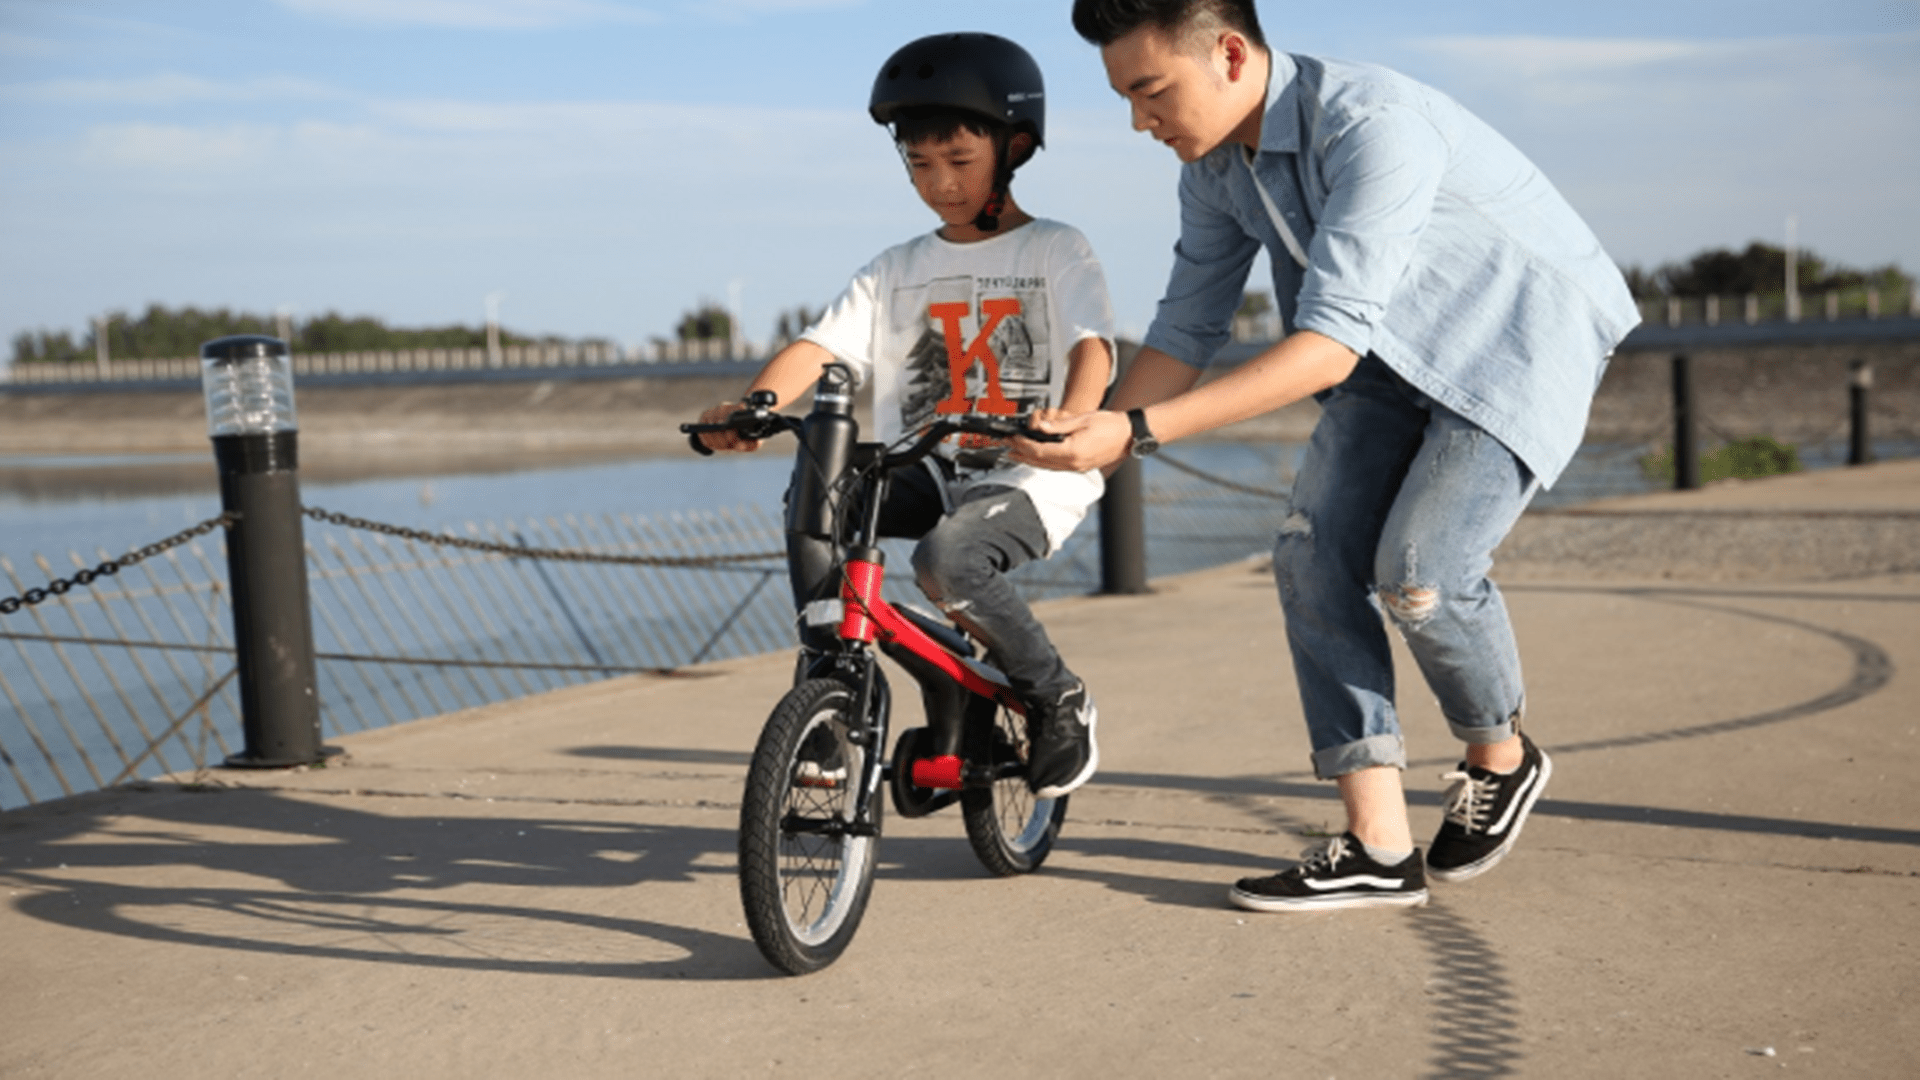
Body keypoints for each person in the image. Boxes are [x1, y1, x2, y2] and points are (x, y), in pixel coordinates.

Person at [1016, 0, 1639, 908]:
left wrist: (1138, 433)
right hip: (1390, 359)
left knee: (1419, 569)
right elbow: (1187, 329)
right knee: (1310, 556)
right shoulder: (1213, 167)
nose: (1140, 121)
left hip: (1512, 340)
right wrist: (1089, 438)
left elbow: (1326, 344)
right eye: (1125, 97)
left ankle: (1500, 754)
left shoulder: (1371, 124)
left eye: (1151, 91)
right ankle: (1378, 847)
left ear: (1230, 54)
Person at [694, 32, 1116, 799]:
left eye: (960, 162)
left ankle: (1057, 695)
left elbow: (1095, 346)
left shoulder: (1057, 249)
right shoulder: (896, 269)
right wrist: (757, 406)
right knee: (825, 493)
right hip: (923, 461)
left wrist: (1075, 422)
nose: (941, 185)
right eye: (921, 165)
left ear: (1014, 147)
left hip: (1030, 472)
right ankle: (829, 685)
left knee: (946, 562)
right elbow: (821, 346)